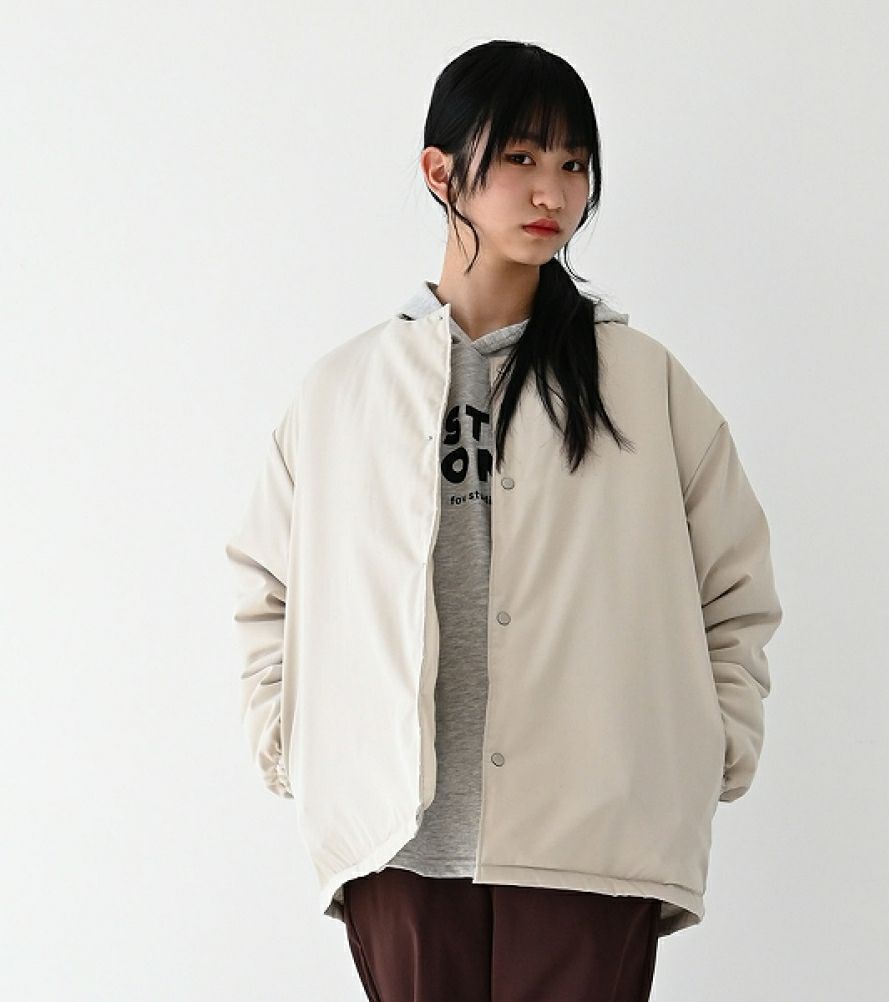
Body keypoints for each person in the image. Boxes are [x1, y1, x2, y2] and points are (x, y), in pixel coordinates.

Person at [224, 38, 783, 1002]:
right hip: (397, 840)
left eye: (574, 164)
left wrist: (709, 749)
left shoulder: (640, 381)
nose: (552, 191)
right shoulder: (343, 392)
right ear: (441, 172)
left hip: (594, 834)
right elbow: (268, 588)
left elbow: (735, 584)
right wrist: (293, 746)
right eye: (521, 157)